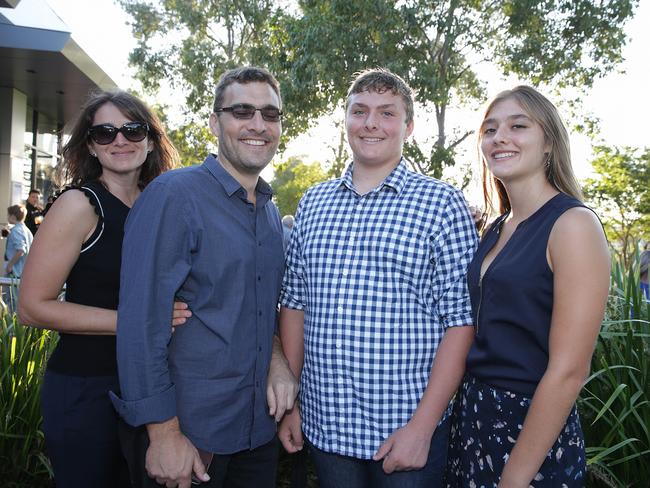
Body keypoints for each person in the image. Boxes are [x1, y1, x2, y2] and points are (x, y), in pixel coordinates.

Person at [278, 68, 478, 488]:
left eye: (387, 113)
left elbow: (461, 322)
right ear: (346, 120)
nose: (371, 122)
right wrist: (291, 403)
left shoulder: (441, 204)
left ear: (409, 126)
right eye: (360, 111)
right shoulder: (314, 202)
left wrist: (422, 428)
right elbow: (295, 304)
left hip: (403, 429)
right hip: (326, 426)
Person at [110, 66, 298, 488]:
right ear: (215, 121)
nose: (258, 124)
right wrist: (163, 434)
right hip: (191, 441)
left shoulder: (269, 211)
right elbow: (140, 325)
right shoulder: (173, 197)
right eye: (242, 111)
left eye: (270, 114)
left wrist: (276, 358)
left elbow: (257, 308)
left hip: (256, 434)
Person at [18, 90, 189, 487]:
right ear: (91, 147)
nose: (120, 141)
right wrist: (139, 323)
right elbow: (31, 307)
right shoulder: (79, 205)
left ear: (150, 139)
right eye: (105, 133)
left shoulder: (162, 204)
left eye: (132, 129)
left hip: (152, 388)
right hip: (86, 388)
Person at [445, 86, 610, 487]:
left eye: (518, 126)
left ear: (549, 141)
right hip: (474, 418)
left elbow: (569, 370)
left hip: (530, 427)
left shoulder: (572, 225)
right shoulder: (497, 227)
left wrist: (515, 478)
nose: (500, 137)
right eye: (490, 129)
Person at [3, 204, 33, 311]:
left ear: (13, 217)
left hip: (14, 272)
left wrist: (10, 265)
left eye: (8, 215)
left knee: (11, 303)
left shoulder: (16, 230)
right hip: (23, 272)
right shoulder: (27, 230)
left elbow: (21, 250)